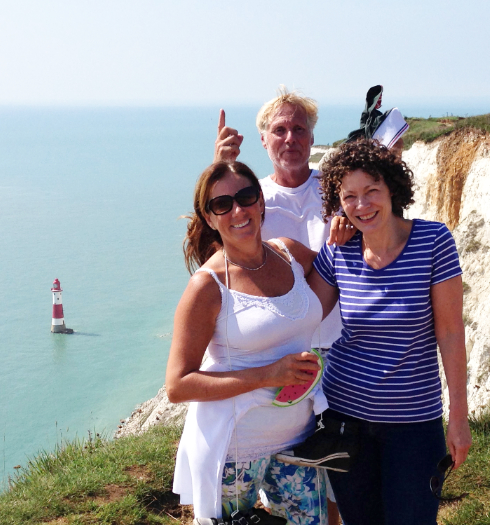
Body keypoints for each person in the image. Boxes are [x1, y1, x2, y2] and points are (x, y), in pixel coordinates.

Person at [307, 139, 472, 525]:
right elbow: (302, 313)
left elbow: (450, 333)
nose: (362, 205)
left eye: (371, 192)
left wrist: (459, 417)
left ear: (392, 189)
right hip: (344, 418)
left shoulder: (433, 241)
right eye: (350, 197)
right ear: (338, 203)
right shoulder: (339, 250)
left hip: (414, 424)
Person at [214, 87, 352, 525]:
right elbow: (215, 257)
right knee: (294, 472)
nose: (289, 138)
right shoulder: (250, 201)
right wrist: (218, 168)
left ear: (312, 138)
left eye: (299, 129)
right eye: (279, 129)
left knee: (334, 476)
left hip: (343, 346)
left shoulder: (338, 191)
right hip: (285, 354)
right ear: (263, 140)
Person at [168, 161, 328, 524]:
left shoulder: (288, 253)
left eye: (245, 197)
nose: (237, 210)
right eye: (221, 204)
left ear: (261, 203)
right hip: (232, 451)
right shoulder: (207, 287)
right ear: (209, 218)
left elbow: (328, 288)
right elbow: (177, 386)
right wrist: (268, 375)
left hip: (299, 441)